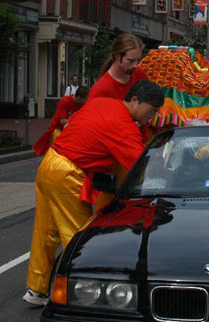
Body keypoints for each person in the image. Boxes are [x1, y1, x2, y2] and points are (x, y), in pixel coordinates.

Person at [23, 80, 164, 306]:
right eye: (151, 110)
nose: (152, 116)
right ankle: (80, 294)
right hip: (67, 173)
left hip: (50, 164)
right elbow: (140, 166)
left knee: (46, 232)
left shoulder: (103, 103)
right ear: (135, 100)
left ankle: (36, 289)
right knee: (79, 238)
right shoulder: (123, 125)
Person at [87, 33, 148, 101]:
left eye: (138, 60)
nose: (135, 65)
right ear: (117, 56)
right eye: (130, 60)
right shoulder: (100, 90)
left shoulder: (139, 73)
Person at [32, 86, 89, 155]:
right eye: (86, 98)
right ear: (79, 98)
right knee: (57, 152)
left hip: (69, 131)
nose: (87, 100)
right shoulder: (65, 101)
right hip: (57, 130)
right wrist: (76, 122)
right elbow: (62, 121)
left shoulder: (82, 104)